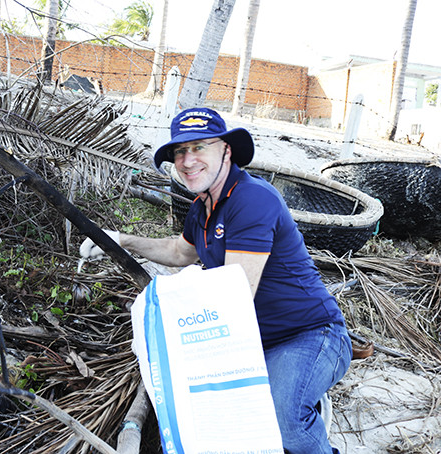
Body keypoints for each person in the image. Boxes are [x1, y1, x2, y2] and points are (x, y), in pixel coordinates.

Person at [79, 107, 351, 454]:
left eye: (199, 147)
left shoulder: (253, 199)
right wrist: (121, 240)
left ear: (226, 150)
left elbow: (236, 292)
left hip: (309, 334)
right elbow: (180, 252)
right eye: (180, 151)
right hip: (250, 341)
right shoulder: (202, 208)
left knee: (285, 417)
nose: (188, 160)